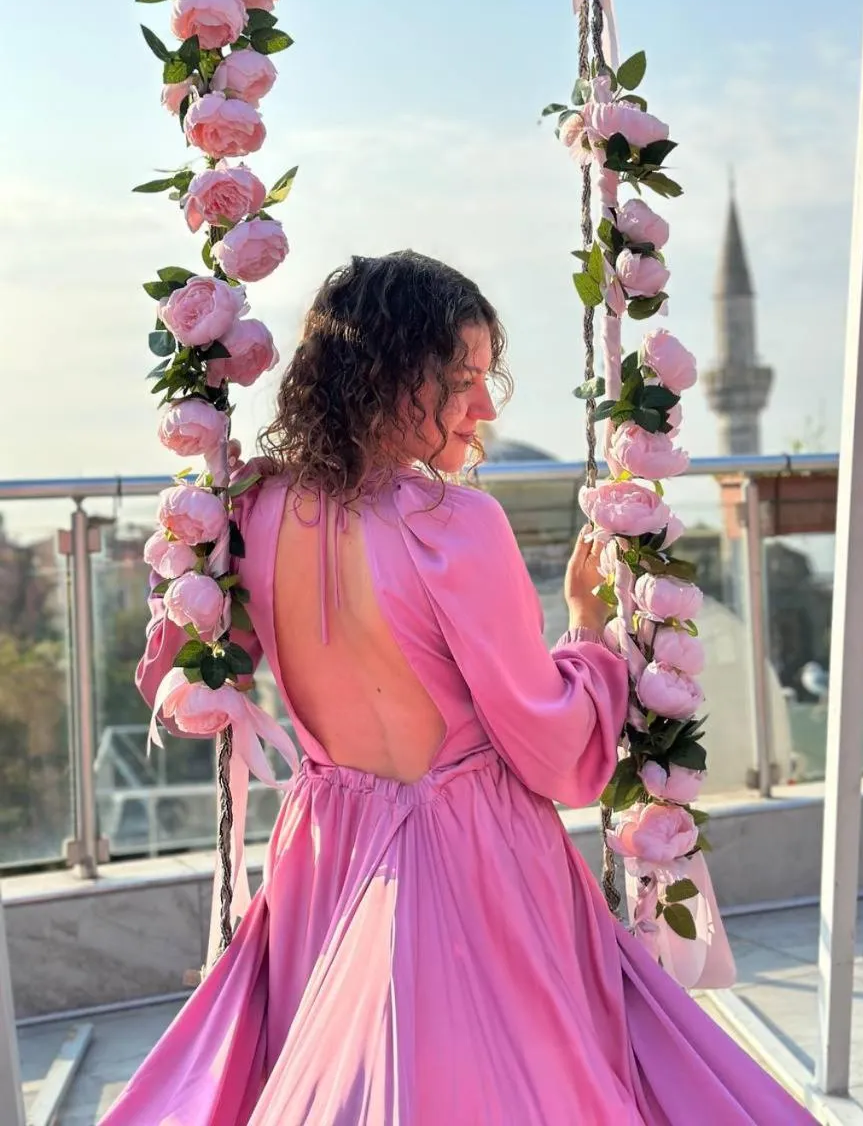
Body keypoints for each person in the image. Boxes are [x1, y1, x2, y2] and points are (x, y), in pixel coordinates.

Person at [102, 251, 815, 1124]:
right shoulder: (458, 522)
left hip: (326, 850)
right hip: (473, 853)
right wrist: (586, 625)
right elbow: (554, 745)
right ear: (390, 377)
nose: (485, 407)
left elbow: (199, 660)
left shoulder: (252, 509)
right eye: (463, 381)